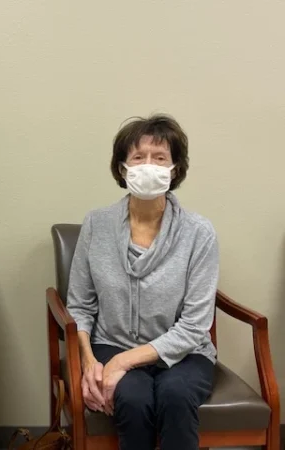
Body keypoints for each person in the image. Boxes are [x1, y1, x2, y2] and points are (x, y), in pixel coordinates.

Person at [66, 114, 218, 450]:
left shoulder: (199, 233)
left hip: (185, 354)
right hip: (112, 342)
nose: (149, 165)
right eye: (138, 157)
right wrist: (89, 362)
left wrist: (122, 362)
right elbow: (80, 304)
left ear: (175, 168)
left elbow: (195, 325)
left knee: (175, 395)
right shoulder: (96, 224)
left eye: (160, 157)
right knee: (133, 401)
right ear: (122, 168)